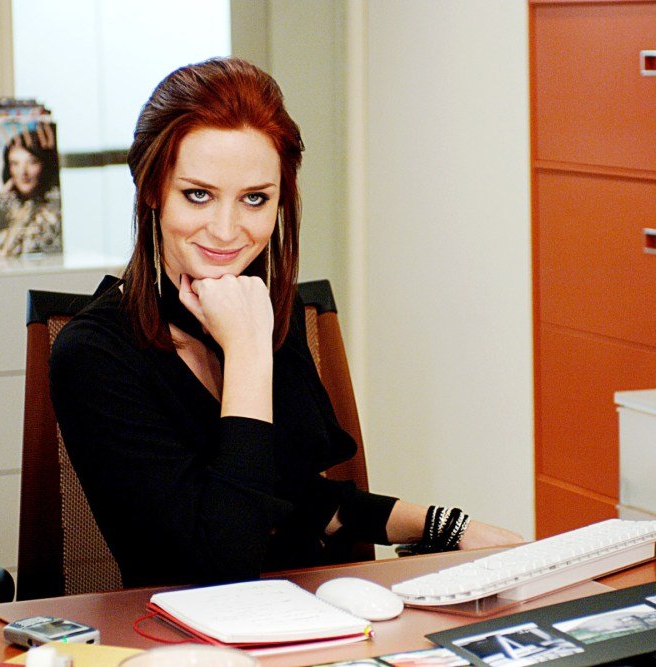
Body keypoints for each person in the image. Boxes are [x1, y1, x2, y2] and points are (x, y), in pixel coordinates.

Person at [49, 57, 522, 589]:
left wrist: (451, 527)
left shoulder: (258, 308)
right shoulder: (93, 355)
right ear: (151, 190)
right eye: (198, 194)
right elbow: (222, 567)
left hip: (315, 611)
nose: (226, 230)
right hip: (189, 625)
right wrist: (248, 355)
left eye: (255, 198)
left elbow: (303, 500)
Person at [0, 123, 62, 258]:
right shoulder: (3, 207)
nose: (23, 172)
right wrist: (1, 197)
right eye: (15, 163)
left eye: (32, 162)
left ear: (44, 165)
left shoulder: (52, 213)